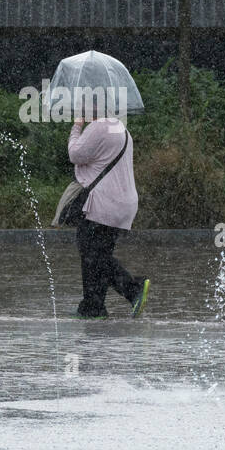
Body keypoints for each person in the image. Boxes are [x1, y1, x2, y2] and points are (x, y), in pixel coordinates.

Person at [68, 95, 149, 319]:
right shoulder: (120, 129)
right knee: (97, 254)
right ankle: (93, 306)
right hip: (121, 204)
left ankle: (133, 289)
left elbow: (75, 154)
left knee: (93, 255)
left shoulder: (100, 127)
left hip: (103, 204)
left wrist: (76, 127)